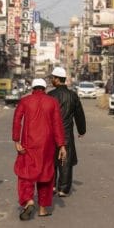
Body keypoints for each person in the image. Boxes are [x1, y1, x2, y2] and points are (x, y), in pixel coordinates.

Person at [12, 78, 67, 220]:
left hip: (28, 144)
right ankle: (42, 209)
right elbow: (57, 125)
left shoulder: (25, 101)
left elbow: (17, 119)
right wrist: (61, 145)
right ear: (44, 89)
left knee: (26, 174)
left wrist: (16, 140)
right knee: (46, 176)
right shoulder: (52, 102)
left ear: (32, 88)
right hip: (47, 146)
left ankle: (28, 200)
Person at [48, 66, 86, 197]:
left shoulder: (50, 95)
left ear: (57, 80)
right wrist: (82, 130)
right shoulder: (72, 96)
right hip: (66, 133)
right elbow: (79, 115)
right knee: (66, 160)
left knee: (51, 159)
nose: (52, 80)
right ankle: (63, 189)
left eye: (53, 78)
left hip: (51, 132)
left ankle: (51, 185)